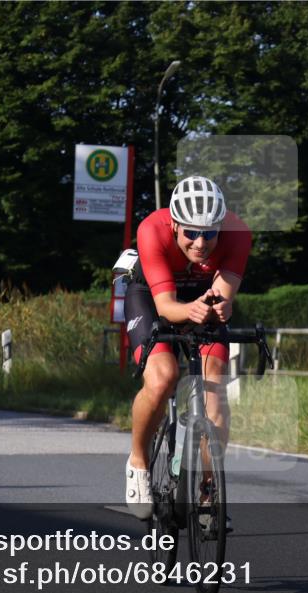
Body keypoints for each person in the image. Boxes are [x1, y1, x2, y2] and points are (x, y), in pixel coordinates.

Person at [123, 176, 252, 520]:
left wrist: (221, 306)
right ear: (175, 224)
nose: (200, 243)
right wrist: (191, 309)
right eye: (191, 233)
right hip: (151, 298)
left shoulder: (239, 234)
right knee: (163, 377)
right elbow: (166, 306)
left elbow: (223, 292)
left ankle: (208, 490)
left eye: (210, 234)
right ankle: (138, 461)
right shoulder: (152, 229)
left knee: (214, 394)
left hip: (200, 297)